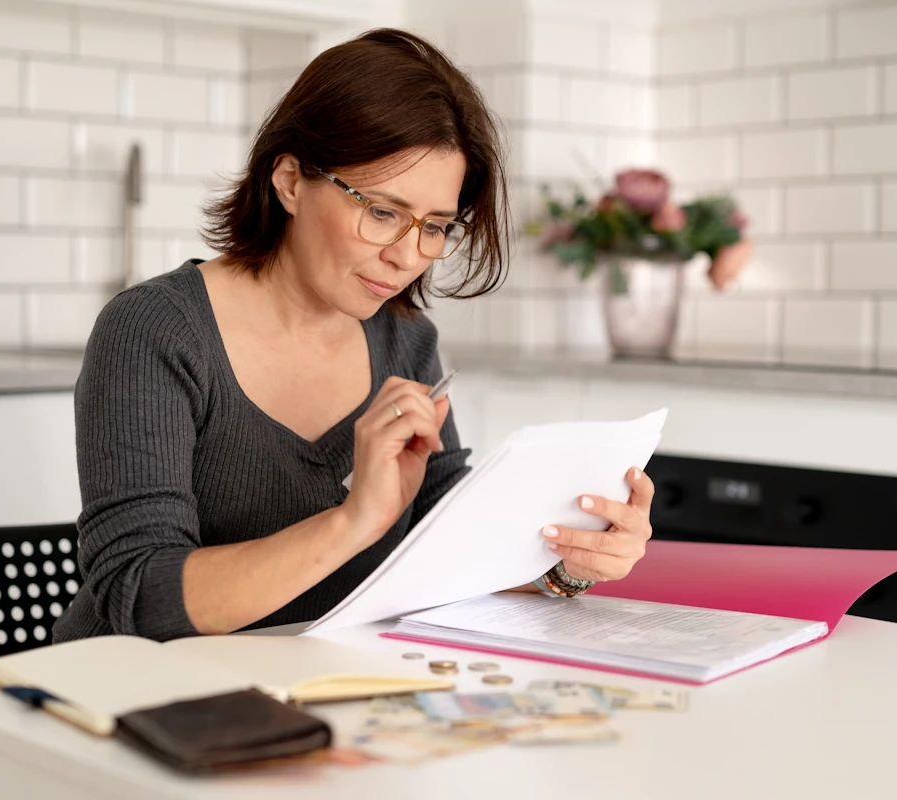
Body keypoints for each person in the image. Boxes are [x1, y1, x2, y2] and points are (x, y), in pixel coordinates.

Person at [53, 28, 654, 644]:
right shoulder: (155, 330)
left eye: (436, 226)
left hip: (312, 686)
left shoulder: (404, 340)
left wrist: (567, 563)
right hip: (129, 698)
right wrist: (353, 521)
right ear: (289, 180)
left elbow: (448, 539)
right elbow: (141, 596)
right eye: (383, 212)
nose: (408, 257)